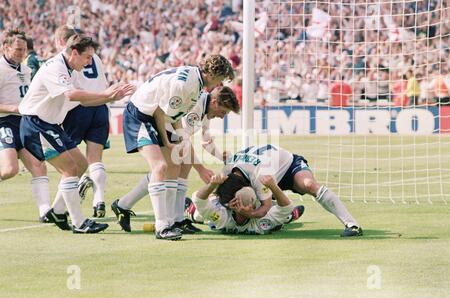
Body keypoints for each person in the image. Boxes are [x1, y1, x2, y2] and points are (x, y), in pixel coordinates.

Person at [18, 33, 135, 233]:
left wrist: (110, 97)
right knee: (70, 169)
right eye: (87, 57)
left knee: (80, 164)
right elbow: (71, 94)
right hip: (36, 123)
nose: (90, 62)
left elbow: (83, 100)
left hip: (49, 124)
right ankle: (79, 223)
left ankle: (57, 210)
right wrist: (105, 93)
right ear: (74, 52)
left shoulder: (70, 69)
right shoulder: (55, 67)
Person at [112, 54, 234, 240]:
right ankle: (163, 226)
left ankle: (159, 216)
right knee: (161, 167)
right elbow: (161, 111)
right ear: (213, 73)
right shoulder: (187, 86)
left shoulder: (196, 83)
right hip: (141, 114)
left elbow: (175, 118)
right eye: (221, 79)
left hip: (156, 116)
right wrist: (169, 141)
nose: (219, 84)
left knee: (175, 166)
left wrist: (178, 139)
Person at [213, 144, 363, 237]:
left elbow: (264, 208)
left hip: (288, 167)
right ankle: (286, 217)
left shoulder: (259, 176)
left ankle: (352, 225)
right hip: (266, 173)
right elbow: (220, 195)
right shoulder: (228, 172)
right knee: (252, 201)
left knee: (309, 184)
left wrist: (250, 213)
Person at [51, 25, 111, 218]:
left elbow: (70, 91)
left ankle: (58, 208)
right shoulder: (96, 57)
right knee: (95, 159)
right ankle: (99, 199)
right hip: (100, 108)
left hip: (78, 109)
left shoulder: (67, 61)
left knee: (69, 161)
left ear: (63, 42)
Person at [0, 29, 51, 223]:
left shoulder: (26, 69)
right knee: (9, 170)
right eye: (18, 49)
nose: (22, 53)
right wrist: (13, 107)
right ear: (5, 47)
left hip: (25, 122)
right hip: (4, 122)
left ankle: (45, 211)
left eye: (24, 50)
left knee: (39, 166)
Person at [189, 174, 304, 234]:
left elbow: (199, 200)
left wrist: (212, 185)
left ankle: (192, 212)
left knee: (199, 213)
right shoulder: (262, 221)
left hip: (218, 219)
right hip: (265, 218)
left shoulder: (222, 218)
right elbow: (286, 206)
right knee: (282, 216)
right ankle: (289, 217)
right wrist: (273, 186)